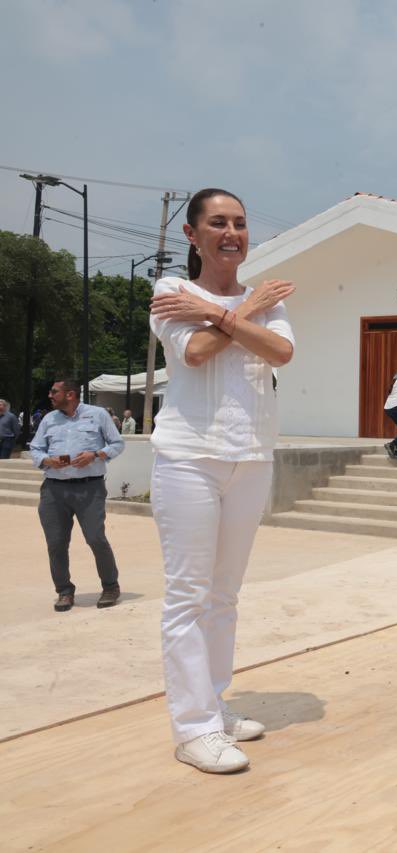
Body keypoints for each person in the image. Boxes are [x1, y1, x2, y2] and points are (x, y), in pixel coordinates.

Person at [149, 187, 295, 774]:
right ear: (192, 234)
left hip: (251, 456)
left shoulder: (268, 299)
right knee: (188, 594)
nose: (231, 232)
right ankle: (193, 728)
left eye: (239, 222)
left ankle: (213, 704)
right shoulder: (170, 292)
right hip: (189, 456)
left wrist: (227, 310)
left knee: (225, 594)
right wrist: (234, 313)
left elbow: (280, 351)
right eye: (217, 223)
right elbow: (198, 354)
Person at [27, 379, 125, 611]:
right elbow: (36, 448)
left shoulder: (98, 414)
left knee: (95, 538)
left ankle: (110, 586)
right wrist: (46, 460)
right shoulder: (49, 419)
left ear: (70, 394)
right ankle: (64, 591)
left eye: (54, 392)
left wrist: (96, 454)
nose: (50, 395)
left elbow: (117, 444)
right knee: (56, 543)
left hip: (89, 488)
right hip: (54, 490)